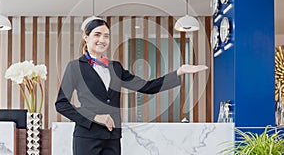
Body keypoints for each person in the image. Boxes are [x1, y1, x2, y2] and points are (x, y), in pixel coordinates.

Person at [55, 16, 208, 155]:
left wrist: (179, 72)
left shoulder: (115, 67)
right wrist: (95, 117)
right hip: (87, 137)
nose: (102, 39)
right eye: (97, 34)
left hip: (112, 137)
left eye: (106, 36)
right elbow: (61, 104)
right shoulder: (75, 67)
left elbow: (147, 87)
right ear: (86, 37)